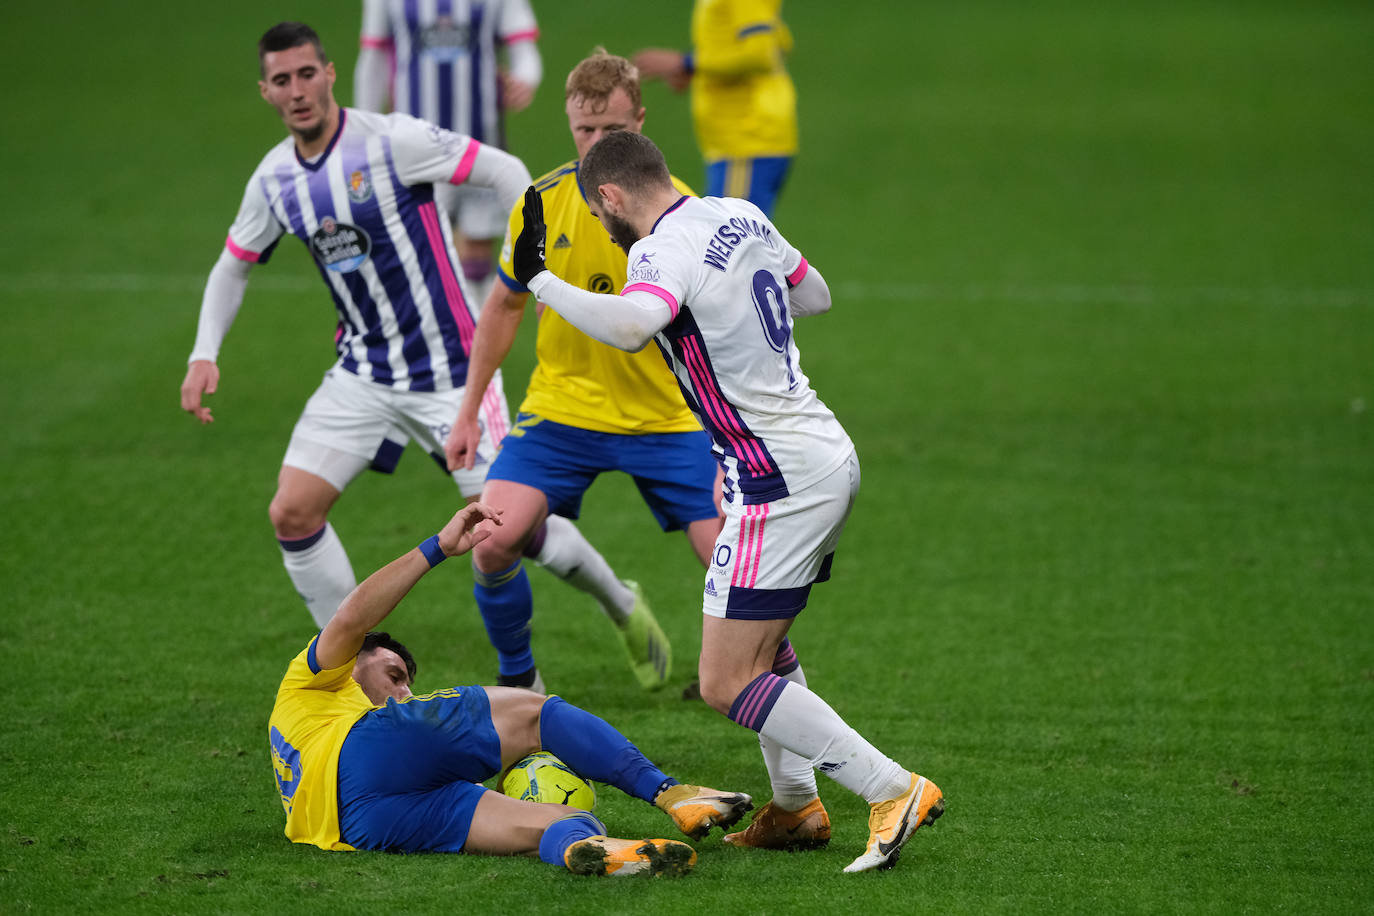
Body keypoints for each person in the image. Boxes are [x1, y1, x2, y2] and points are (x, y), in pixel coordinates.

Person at [504, 131, 946, 873]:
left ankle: (892, 788)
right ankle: (797, 807)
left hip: (780, 477)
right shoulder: (737, 213)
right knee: (761, 646)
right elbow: (816, 294)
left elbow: (633, 324)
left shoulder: (656, 250)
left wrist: (539, 281)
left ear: (609, 197)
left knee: (725, 678)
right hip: (812, 451)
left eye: (598, 210)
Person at [179, 23, 610, 637]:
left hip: (453, 374)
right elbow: (233, 265)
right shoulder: (273, 179)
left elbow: (507, 168)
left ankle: (619, 602)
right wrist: (204, 353)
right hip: (362, 375)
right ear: (266, 92)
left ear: (330, 74)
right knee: (293, 511)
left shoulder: (392, 142)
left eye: (307, 74)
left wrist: (529, 272)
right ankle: (346, 663)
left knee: (507, 527)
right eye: (282, 80)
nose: (297, 89)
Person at [270, 501, 753, 875]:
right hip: (363, 755)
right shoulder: (312, 676)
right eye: (394, 675)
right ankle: (670, 792)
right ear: (353, 660)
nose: (403, 695)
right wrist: (439, 545)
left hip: (358, 826)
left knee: (556, 824)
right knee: (536, 715)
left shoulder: (299, 729)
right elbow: (354, 616)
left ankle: (589, 850)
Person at [443, 51, 722, 693]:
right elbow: (505, 305)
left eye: (613, 132)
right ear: (569, 124)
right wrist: (468, 411)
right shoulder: (540, 204)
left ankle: (762, 677)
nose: (597, 147)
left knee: (733, 558)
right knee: (490, 541)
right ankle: (522, 684)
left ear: (643, 122)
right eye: (584, 132)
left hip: (670, 417)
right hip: (563, 411)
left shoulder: (684, 214)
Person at [354, 0, 543, 304]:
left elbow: (523, 46)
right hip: (414, 150)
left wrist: (526, 77)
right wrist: (365, 127)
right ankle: (441, 331)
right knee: (423, 246)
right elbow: (373, 55)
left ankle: (475, 338)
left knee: (478, 244)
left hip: (481, 140)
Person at [633, 0, 797, 217]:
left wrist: (688, 63)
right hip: (741, 142)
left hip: (746, 139)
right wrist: (696, 69)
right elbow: (780, 41)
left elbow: (760, 53)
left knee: (733, 239)